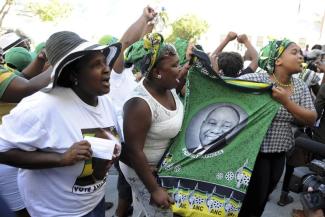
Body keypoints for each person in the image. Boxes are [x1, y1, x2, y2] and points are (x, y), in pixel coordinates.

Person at [0, 31, 122, 217]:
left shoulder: (106, 102)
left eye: (105, 61)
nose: (107, 69)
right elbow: (2, 151)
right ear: (74, 74)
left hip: (95, 205)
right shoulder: (41, 107)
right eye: (96, 65)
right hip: (54, 212)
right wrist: (61, 159)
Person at [238, 39, 317, 217]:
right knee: (253, 201)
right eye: (294, 52)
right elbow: (226, 89)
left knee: (262, 199)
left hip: (280, 153)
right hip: (255, 154)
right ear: (277, 60)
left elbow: (311, 118)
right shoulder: (257, 79)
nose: (300, 56)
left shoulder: (300, 86)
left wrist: (286, 102)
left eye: (300, 52)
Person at [119, 32, 184, 216]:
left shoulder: (168, 88)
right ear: (156, 72)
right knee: (157, 212)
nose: (179, 69)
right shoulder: (139, 104)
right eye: (174, 65)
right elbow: (134, 151)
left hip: (163, 168)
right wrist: (154, 189)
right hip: (145, 171)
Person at [101, 6, 157, 217]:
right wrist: (142, 17)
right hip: (127, 148)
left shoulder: (123, 73)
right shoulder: (112, 74)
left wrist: (147, 27)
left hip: (132, 145)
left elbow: (134, 47)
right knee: (128, 193)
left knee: (130, 193)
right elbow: (125, 45)